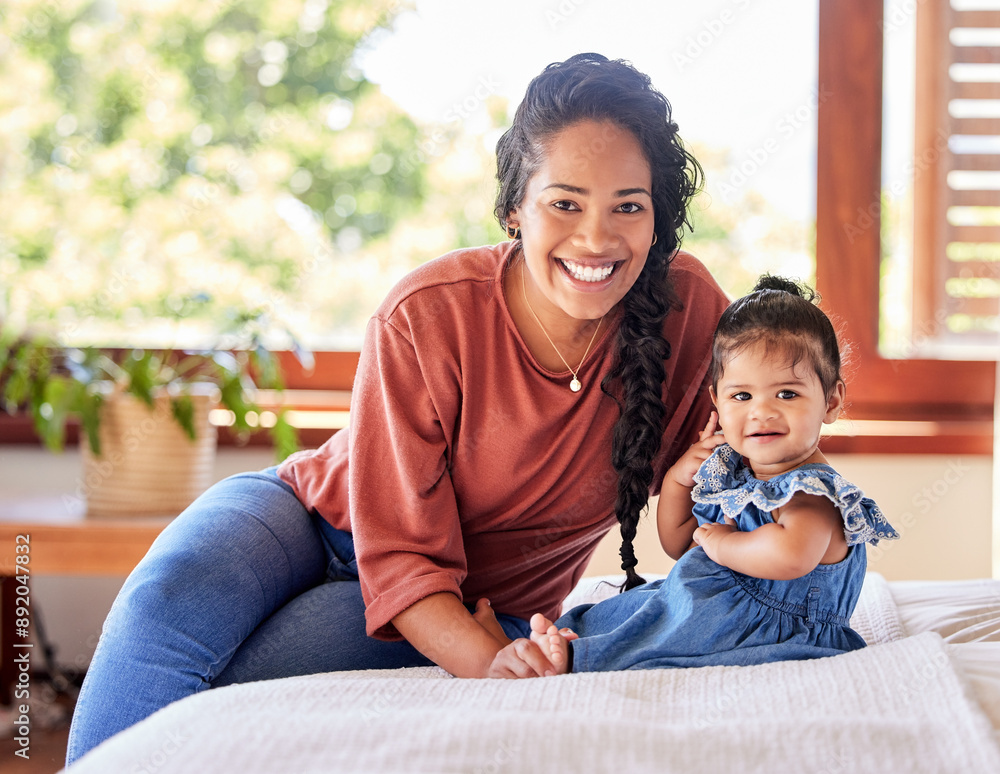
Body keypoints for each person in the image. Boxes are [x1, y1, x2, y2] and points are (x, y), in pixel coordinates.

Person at [66, 52, 730, 763]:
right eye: (564, 203)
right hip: (311, 515)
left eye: (627, 206)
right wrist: (481, 661)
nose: (596, 238)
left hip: (464, 597)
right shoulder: (426, 312)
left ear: (657, 216)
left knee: (228, 683)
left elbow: (745, 464)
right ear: (515, 210)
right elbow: (397, 540)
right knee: (168, 597)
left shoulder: (687, 310)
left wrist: (491, 652)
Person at [528, 275, 900, 674]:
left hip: (772, 629)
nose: (761, 411)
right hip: (721, 609)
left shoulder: (811, 491)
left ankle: (579, 658)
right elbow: (680, 544)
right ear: (716, 401)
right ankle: (581, 637)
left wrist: (722, 545)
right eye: (742, 396)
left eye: (787, 394)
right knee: (643, 608)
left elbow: (791, 555)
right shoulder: (738, 476)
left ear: (831, 401)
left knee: (670, 635)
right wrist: (679, 478)